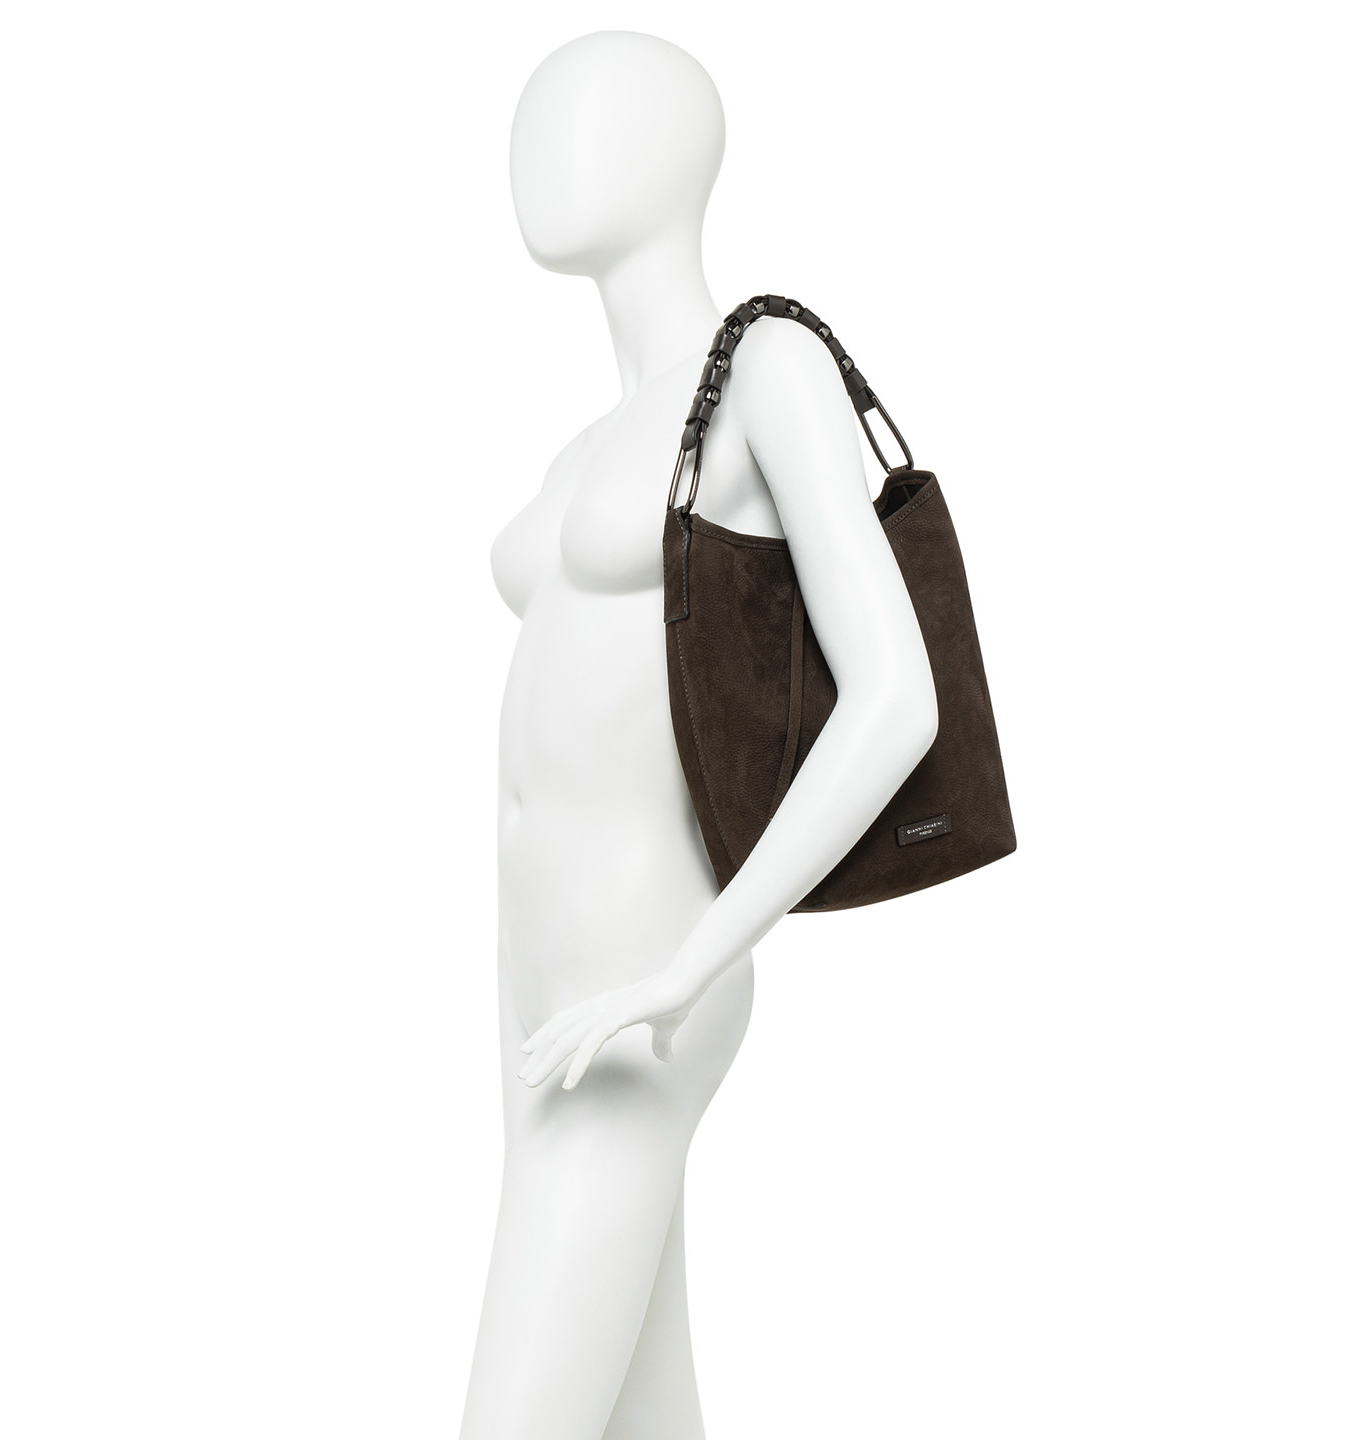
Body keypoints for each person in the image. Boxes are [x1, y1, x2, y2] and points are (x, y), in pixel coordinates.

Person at [461, 30, 939, 1440]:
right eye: (529, 117)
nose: (538, 147)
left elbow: (896, 697)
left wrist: (692, 963)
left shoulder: (766, 366)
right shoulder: (588, 443)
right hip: (541, 983)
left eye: (585, 114)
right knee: (637, 1410)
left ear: (680, 152)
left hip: (644, 981)